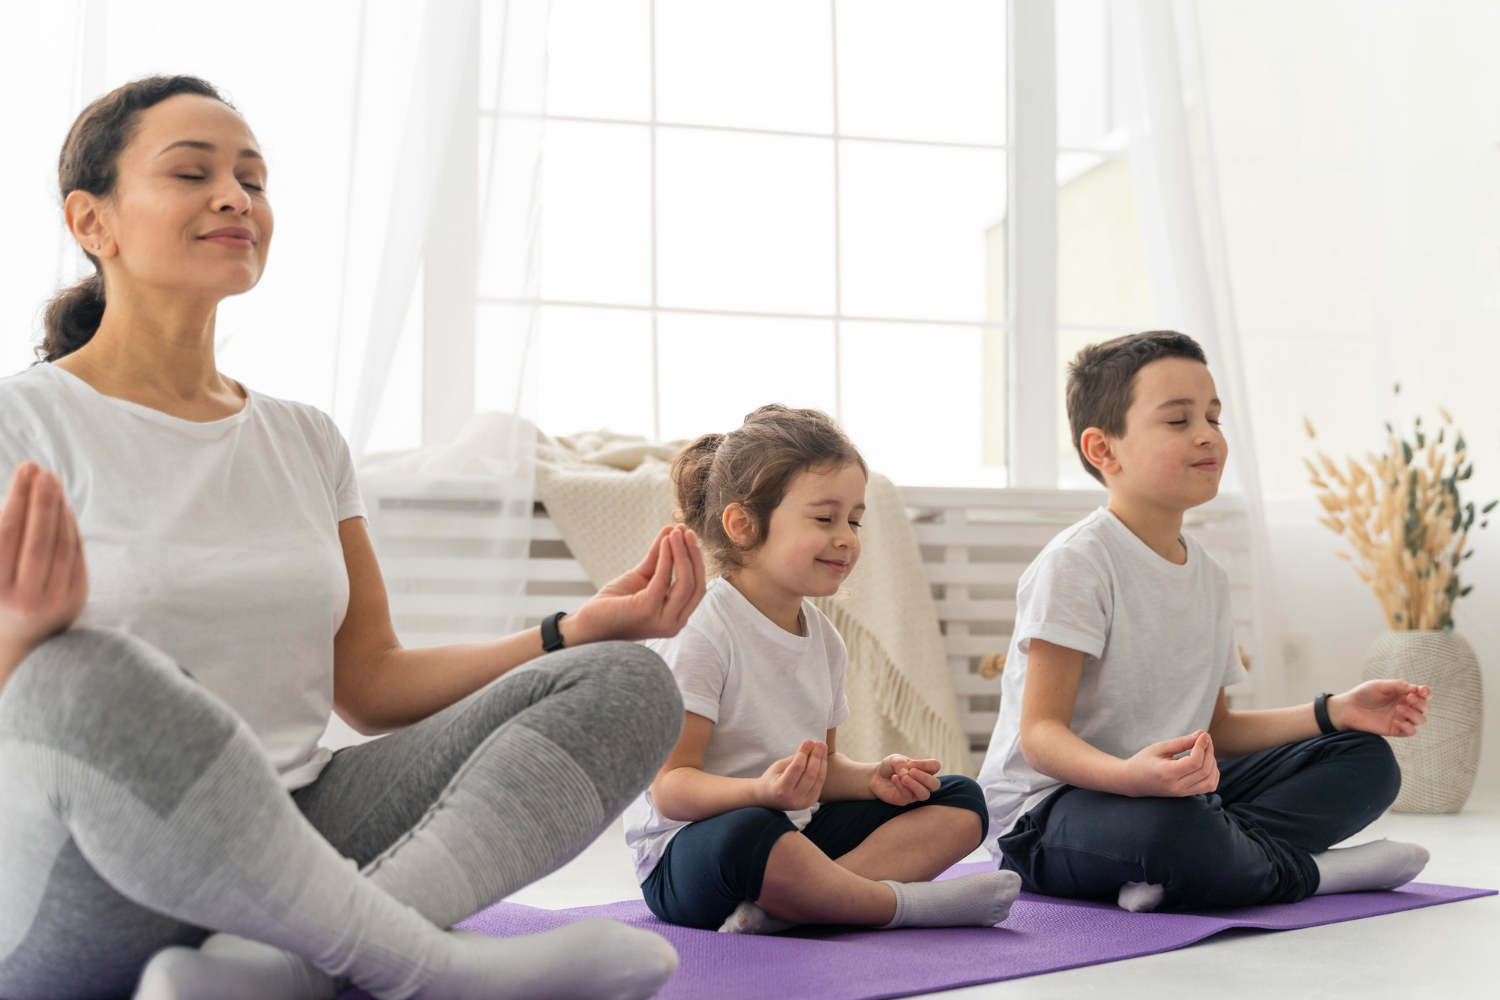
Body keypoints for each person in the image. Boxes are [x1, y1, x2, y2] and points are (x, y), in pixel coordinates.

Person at [0, 75, 705, 1000]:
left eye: (253, 179)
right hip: (95, 875)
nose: (234, 197)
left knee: (626, 683)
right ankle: (421, 967)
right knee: (79, 675)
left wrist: (571, 632)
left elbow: (370, 685)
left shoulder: (304, 438)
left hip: (305, 830)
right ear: (92, 223)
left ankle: (284, 967)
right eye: (192, 173)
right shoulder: (24, 423)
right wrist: (19, 636)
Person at [978, 330, 1432, 913]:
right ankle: (1313, 874)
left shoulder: (1209, 576)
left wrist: (1333, 711)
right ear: (1103, 450)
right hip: (1048, 814)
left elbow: (1217, 726)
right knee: (1171, 828)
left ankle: (1205, 864)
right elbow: (1040, 737)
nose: (1207, 435)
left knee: (1366, 760)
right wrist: (1131, 779)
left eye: (1214, 418)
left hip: (1175, 795)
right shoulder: (1077, 564)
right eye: (1177, 420)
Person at [623, 405, 1020, 936]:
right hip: (696, 853)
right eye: (824, 518)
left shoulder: (826, 640)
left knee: (961, 799)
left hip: (792, 837)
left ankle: (796, 907)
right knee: (751, 831)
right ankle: (900, 906)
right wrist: (760, 792)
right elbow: (671, 788)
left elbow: (823, 772)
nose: (848, 538)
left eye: (854, 520)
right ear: (743, 525)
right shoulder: (701, 630)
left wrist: (873, 778)